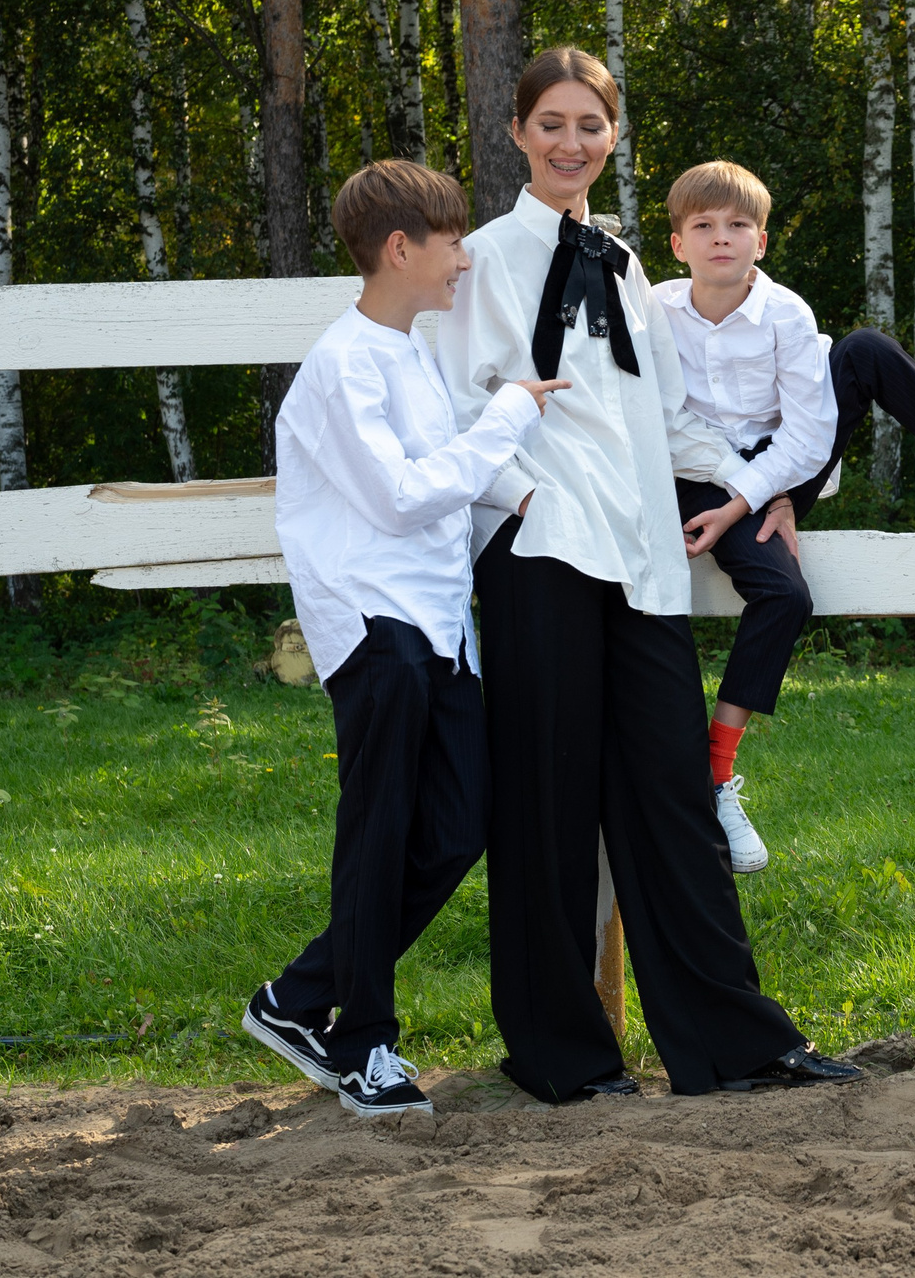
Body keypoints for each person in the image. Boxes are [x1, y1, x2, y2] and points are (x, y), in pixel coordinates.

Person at [437, 45, 859, 1101]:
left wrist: (757, 486)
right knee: (545, 800)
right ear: (518, 133)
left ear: (612, 136)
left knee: (673, 794)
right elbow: (456, 402)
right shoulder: (483, 259)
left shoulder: (626, 266)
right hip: (541, 551)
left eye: (590, 124)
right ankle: (559, 1053)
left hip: (640, 561)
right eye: (551, 123)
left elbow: (667, 417)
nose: (571, 141)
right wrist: (522, 500)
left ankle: (732, 1044)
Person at [242, 160, 566, 1117]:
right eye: (452, 241)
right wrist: (509, 414)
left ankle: (298, 996)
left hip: (439, 625)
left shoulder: (411, 351)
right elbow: (398, 495)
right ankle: (364, 1044)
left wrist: (530, 491)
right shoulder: (343, 365)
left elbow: (449, 470)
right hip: (375, 623)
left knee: (460, 824)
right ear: (399, 248)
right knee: (378, 833)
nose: (464, 259)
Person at [652, 159, 915, 874]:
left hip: (782, 465)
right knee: (785, 595)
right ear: (678, 244)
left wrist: (762, 498)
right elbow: (662, 423)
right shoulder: (654, 311)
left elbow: (806, 436)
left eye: (738, 224)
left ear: (762, 240)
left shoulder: (787, 312)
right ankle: (713, 779)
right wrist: (739, 497)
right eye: (703, 225)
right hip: (698, 476)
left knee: (863, 350)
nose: (721, 237)